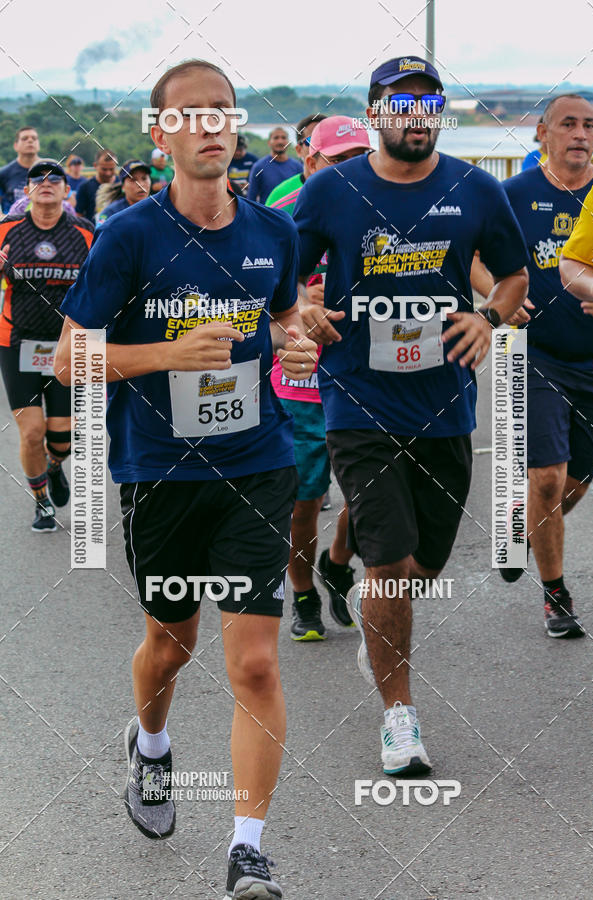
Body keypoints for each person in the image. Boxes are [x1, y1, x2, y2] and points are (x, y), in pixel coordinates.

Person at [55, 59, 317, 900]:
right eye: (189, 115)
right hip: (160, 471)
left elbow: (282, 317)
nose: (209, 126)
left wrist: (299, 338)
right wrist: (166, 352)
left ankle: (248, 850)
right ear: (160, 132)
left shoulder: (273, 234)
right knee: (172, 645)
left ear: (235, 128)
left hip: (257, 464)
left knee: (255, 665)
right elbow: (67, 361)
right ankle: (153, 745)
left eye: (222, 113)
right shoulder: (130, 235)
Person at [294, 55, 528, 775]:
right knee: (392, 570)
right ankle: (399, 717)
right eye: (402, 103)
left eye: (429, 102)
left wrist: (489, 316)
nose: (416, 114)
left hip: (444, 405)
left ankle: (346, 566)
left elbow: (516, 275)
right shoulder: (332, 190)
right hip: (357, 400)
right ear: (377, 113)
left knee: (421, 563)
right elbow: (286, 279)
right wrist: (302, 311)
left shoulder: (475, 187)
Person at [498, 93, 593, 638]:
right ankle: (556, 595)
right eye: (567, 124)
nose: (579, 134)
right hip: (536, 353)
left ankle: (521, 527)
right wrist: (497, 295)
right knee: (547, 478)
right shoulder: (513, 194)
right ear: (542, 133)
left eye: (589, 125)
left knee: (573, 486)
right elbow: (472, 250)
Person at [268, 116, 371, 640]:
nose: (350, 172)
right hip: (303, 381)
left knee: (371, 491)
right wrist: (302, 308)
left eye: (360, 159)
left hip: (366, 376)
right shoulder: (279, 217)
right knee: (305, 498)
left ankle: (336, 563)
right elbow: (259, 301)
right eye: (338, 160)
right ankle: (303, 593)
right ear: (311, 162)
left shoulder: (384, 213)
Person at [0, 160, 93, 531]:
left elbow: (100, 286)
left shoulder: (85, 233)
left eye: (56, 178)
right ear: (26, 191)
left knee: (61, 436)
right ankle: (41, 504)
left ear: (66, 191)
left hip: (67, 347)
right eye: (37, 179)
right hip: (16, 341)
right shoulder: (6, 230)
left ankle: (55, 466)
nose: (46, 183)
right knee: (32, 431)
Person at [264, 114, 327, 208]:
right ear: (299, 150)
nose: (320, 146)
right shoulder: (280, 196)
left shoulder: (349, 187)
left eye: (328, 139)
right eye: (312, 140)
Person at [247, 127, 302, 204]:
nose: (280, 141)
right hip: (267, 214)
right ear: (269, 142)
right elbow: (251, 199)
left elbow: (303, 196)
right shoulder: (259, 167)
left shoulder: (298, 167)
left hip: (291, 215)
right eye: (276, 138)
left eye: (283, 138)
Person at [96, 159, 152, 224]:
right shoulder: (111, 213)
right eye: (133, 180)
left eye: (144, 178)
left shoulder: (158, 209)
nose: (141, 185)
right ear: (123, 187)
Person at [0, 127, 40, 213]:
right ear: (15, 145)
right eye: (24, 138)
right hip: (12, 223)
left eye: (34, 138)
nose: (30, 141)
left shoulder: (52, 169)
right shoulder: (3, 173)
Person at [75, 148, 118, 221]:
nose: (108, 173)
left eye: (111, 169)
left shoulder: (122, 184)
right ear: (95, 166)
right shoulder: (85, 187)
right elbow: (79, 215)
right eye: (104, 169)